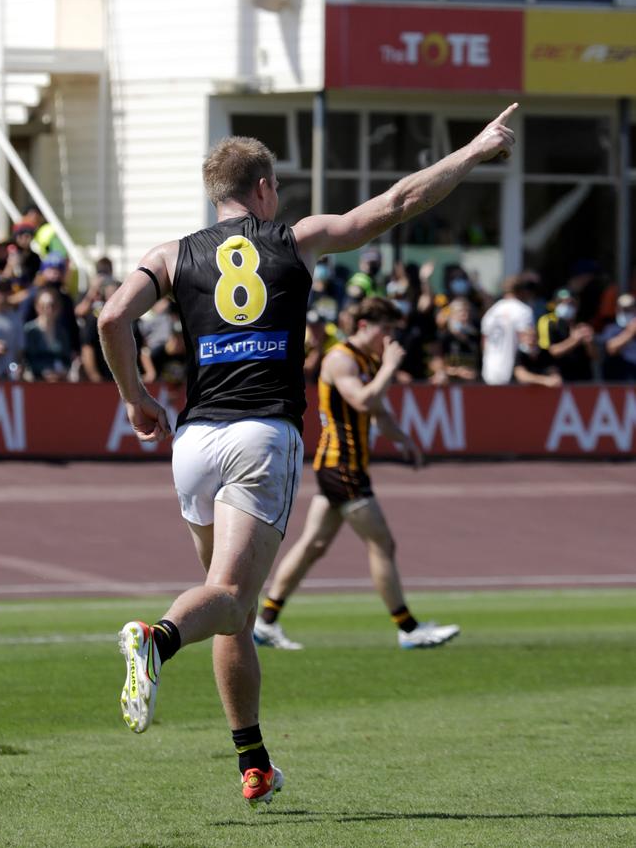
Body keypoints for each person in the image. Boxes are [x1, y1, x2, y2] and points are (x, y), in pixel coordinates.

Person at [97, 103, 518, 807]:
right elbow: (400, 200)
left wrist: (135, 398)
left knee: (231, 601)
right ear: (263, 188)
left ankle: (253, 761)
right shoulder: (296, 239)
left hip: (195, 442)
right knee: (229, 599)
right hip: (262, 435)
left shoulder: (172, 253)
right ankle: (156, 639)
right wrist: (474, 150)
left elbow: (112, 317)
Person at [253, 295, 458, 652]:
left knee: (312, 546)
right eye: (386, 329)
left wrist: (402, 439)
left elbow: (376, 410)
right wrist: (390, 367)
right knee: (382, 542)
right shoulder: (341, 358)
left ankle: (265, 621)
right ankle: (407, 628)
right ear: (365, 327)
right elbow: (362, 399)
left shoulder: (367, 359)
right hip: (341, 465)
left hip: (345, 466)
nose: (391, 338)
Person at [481, 274, 535, 385]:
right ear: (522, 291)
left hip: (489, 372)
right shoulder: (523, 311)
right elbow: (527, 344)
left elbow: (484, 343)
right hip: (512, 374)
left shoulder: (491, 312)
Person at [537, 288, 596, 382]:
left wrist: (589, 343)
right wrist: (574, 340)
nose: (567, 305)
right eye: (562, 302)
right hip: (561, 378)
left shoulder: (582, 324)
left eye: (570, 302)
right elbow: (552, 351)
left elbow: (594, 356)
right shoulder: (550, 323)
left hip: (583, 378)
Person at [23, 286, 72, 381]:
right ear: (37, 307)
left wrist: (64, 371)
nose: (48, 310)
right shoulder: (29, 330)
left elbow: (67, 358)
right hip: (35, 381)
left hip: (59, 381)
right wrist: (43, 371)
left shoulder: (62, 332)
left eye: (52, 305)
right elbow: (26, 358)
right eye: (43, 306)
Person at [0, 277, 24, 380]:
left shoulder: (15, 317)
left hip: (6, 378)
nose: (2, 293)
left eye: (6, 290)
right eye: (0, 289)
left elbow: (19, 350)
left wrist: (18, 368)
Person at [598, 293, 636, 382]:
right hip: (620, 377)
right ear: (617, 309)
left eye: (628, 308)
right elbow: (611, 348)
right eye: (622, 308)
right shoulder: (610, 328)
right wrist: (630, 332)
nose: (625, 311)